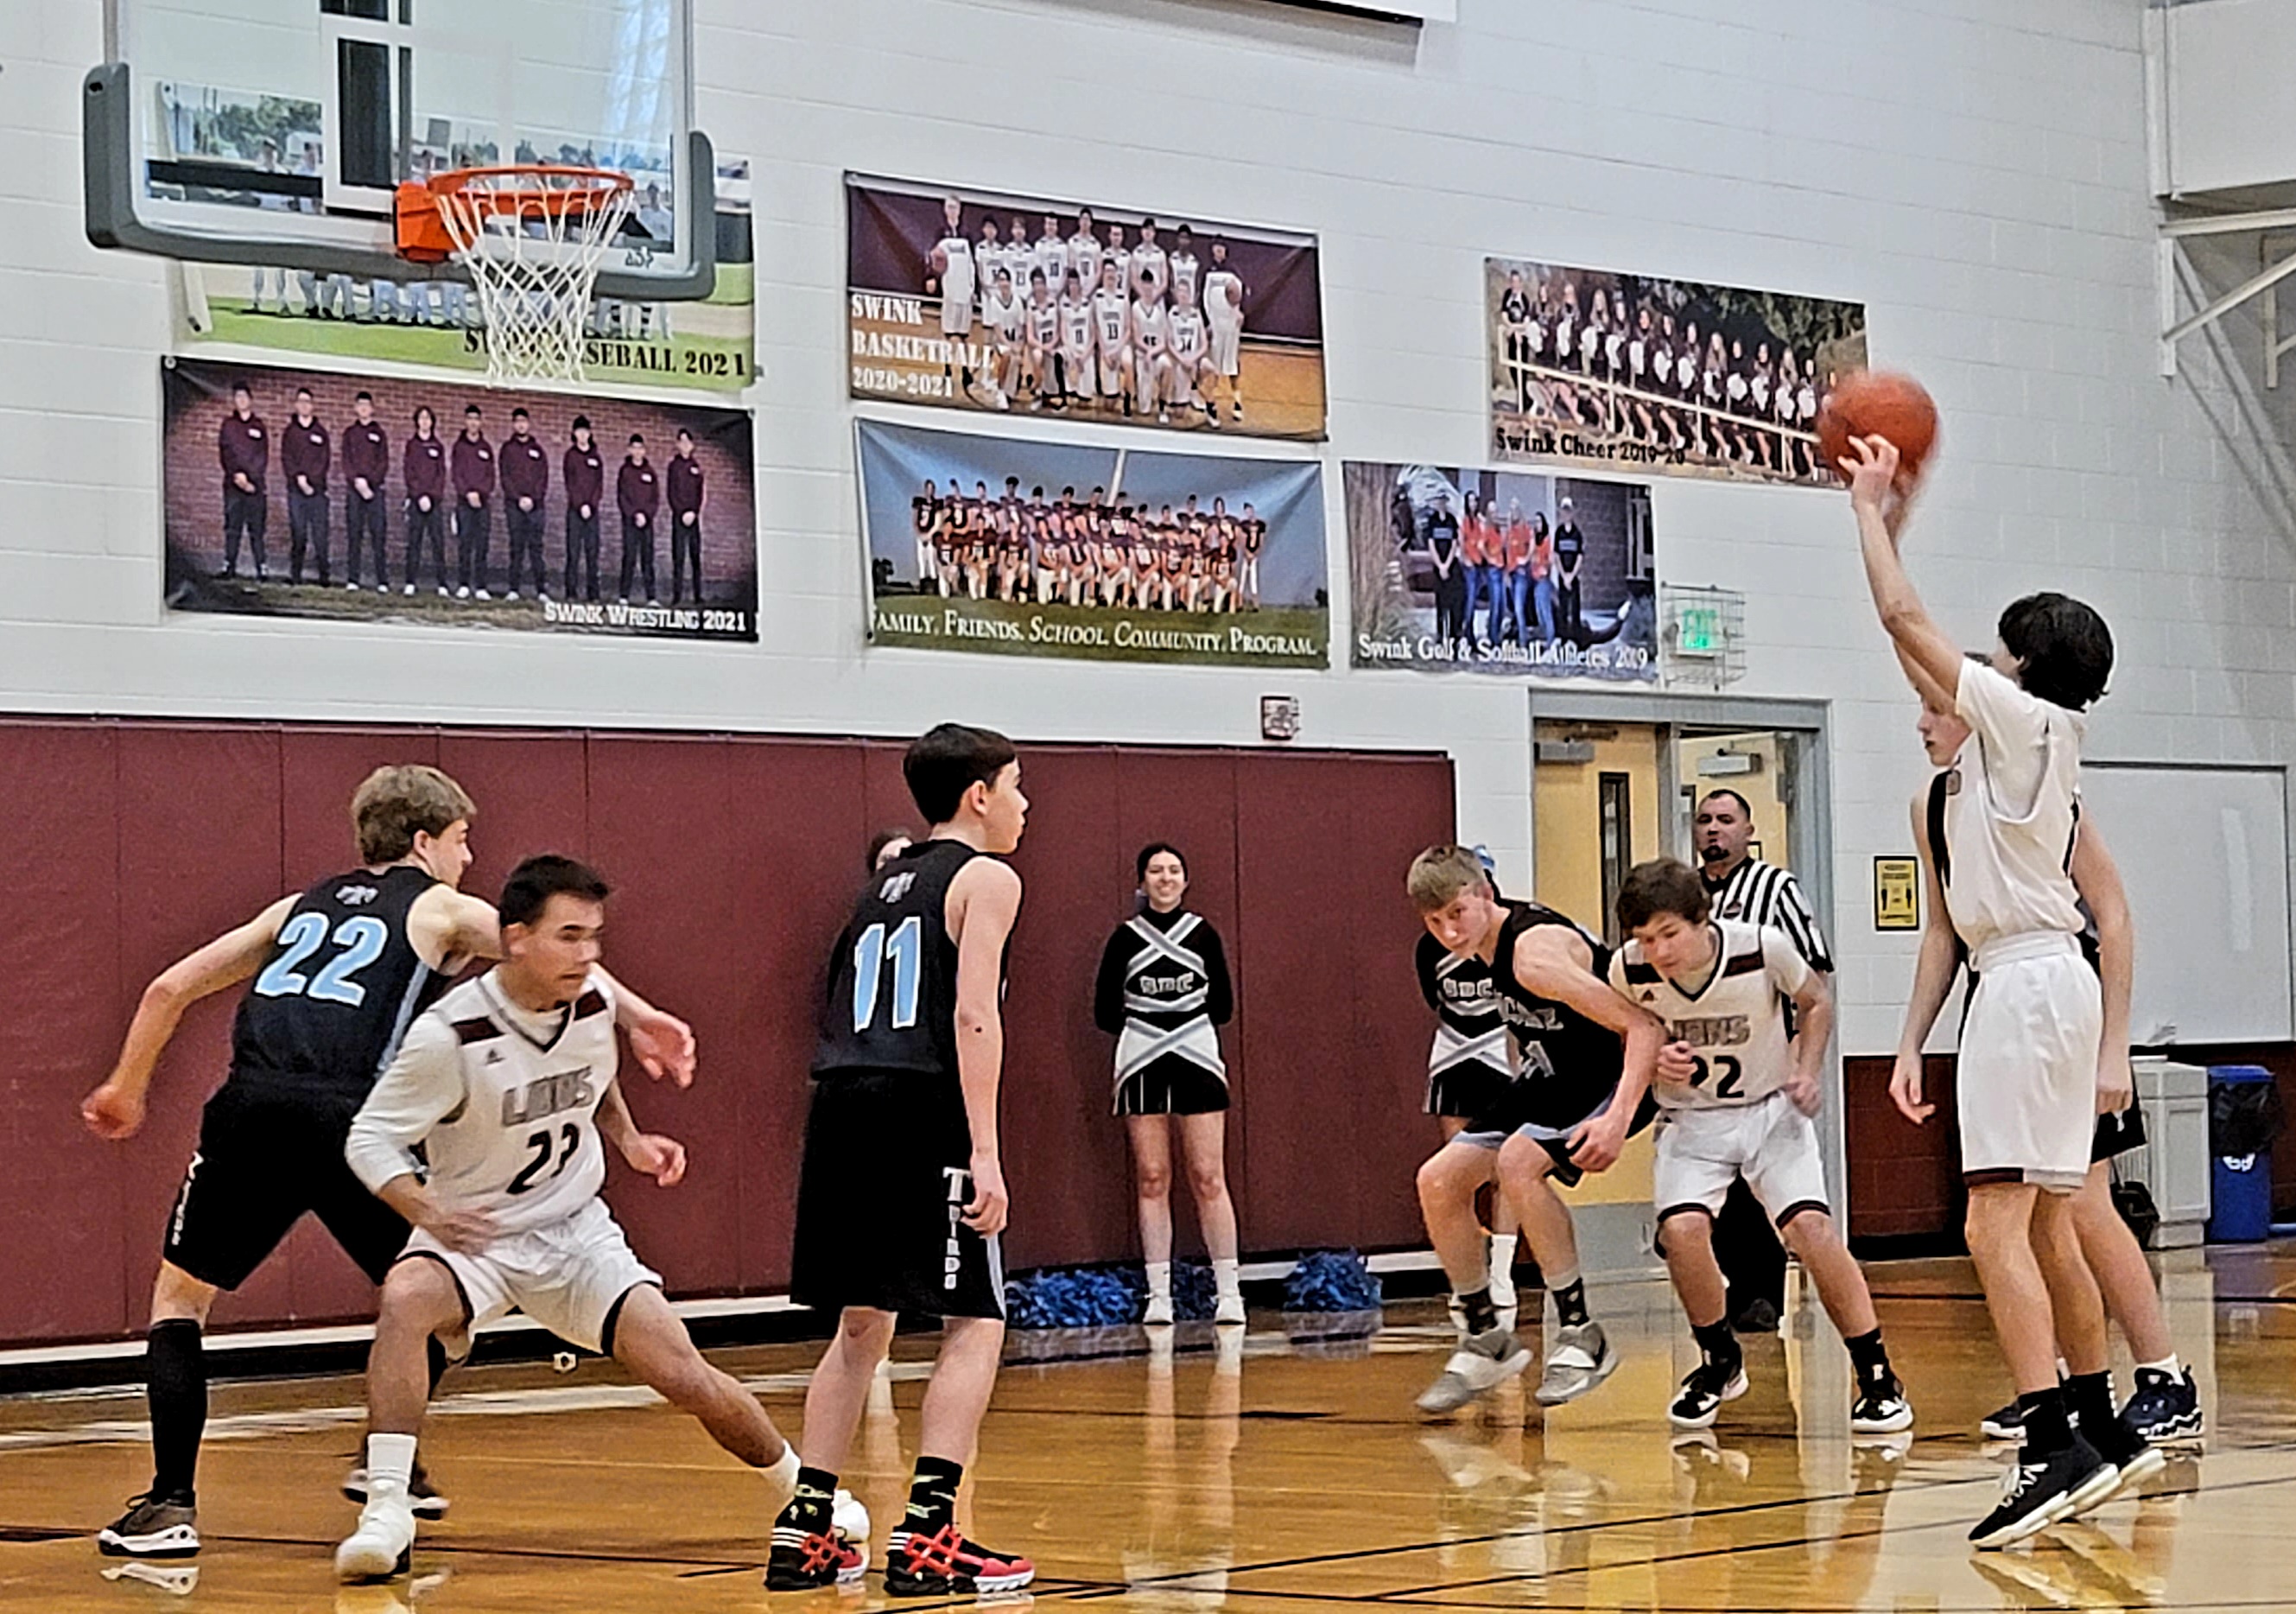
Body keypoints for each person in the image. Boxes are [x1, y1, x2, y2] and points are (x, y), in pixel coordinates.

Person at [81, 766, 692, 1560]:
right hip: (352, 1120)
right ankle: (383, 1462)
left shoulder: (297, 907)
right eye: (463, 840)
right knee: (448, 1310)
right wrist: (641, 1019)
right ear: (424, 841)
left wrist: (127, 1087)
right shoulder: (436, 904)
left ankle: (169, 1505)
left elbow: (170, 988)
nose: (469, 859)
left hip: (252, 1107)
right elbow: (543, 953)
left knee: (180, 1300)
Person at [333, 857, 797, 1583]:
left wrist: (631, 1140)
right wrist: (425, 1209)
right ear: (514, 938)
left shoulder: (593, 1000)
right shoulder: (449, 1034)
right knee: (405, 1298)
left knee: (685, 1374)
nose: (587, 954)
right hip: (478, 1229)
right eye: (569, 936)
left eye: (595, 938)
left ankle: (804, 1494)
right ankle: (386, 1506)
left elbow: (591, 1073)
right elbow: (367, 1138)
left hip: (575, 1228)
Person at [1844, 434, 2138, 1548]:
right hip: (2040, 985)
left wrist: (1867, 512)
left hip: (2025, 990)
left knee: (1991, 1225)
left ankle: (2050, 1441)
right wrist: (1894, 527)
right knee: (2052, 1225)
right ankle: (2100, 1421)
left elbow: (1905, 625)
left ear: (2020, 668)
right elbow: (1918, 654)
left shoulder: (2025, 724)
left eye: (1997, 654)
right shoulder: (2003, 751)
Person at [770, 726, 1035, 1596]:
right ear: (978, 795)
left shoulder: (878, 885)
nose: (1026, 804)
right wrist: (987, 1150)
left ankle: (805, 1526)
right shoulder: (986, 876)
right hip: (922, 1100)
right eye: (1017, 785)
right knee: (976, 1318)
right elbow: (973, 1017)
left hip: (842, 1095)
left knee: (862, 1322)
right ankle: (928, 1532)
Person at [1896, 697, 2204, 1448]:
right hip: (1995, 996)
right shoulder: (1932, 804)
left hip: (2059, 999)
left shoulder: (2039, 784)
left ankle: (2161, 1374)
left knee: (2082, 1204)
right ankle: (2069, 1389)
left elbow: (2115, 911)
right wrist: (1910, 1041)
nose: (1922, 723)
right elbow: (1942, 932)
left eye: (1937, 707)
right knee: (2043, 1217)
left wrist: (2116, 1046)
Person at [1609, 859, 1912, 1434]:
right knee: (1681, 1233)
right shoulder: (1626, 971)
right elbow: (1626, 1035)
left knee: (1811, 1232)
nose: (1658, 951)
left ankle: (1876, 1374)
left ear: (1704, 919)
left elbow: (1816, 1000)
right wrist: (1654, 1059)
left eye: (1669, 934)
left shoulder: (1762, 947)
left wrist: (1808, 1068)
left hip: (1771, 1110)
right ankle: (1719, 1359)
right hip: (1691, 1118)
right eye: (1645, 939)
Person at [1405, 847, 1659, 1415]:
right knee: (1439, 1180)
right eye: (1434, 921)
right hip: (1553, 1076)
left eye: (1456, 913)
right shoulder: (1471, 951)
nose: (1448, 931)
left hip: (1611, 1074)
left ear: (1485, 895)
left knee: (1519, 1162)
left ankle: (1580, 1333)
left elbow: (1643, 1026)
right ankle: (1485, 1338)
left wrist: (1618, 1120)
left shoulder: (1532, 956)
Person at [1692, 788, 1835, 1336]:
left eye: (1726, 819)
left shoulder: (1776, 888)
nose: (1713, 830)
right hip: (1707, 1063)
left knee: (1763, 1177)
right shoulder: (1685, 894)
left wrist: (1806, 1061)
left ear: (1750, 830)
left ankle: (1763, 1292)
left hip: (1771, 1057)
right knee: (1715, 1179)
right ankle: (1726, 1290)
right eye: (1704, 819)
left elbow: (1815, 975)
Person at [1093, 844, 1243, 1328]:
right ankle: (1159, 1295)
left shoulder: (1202, 935)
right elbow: (1104, 1011)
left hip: (1196, 1054)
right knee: (1152, 1176)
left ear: (1185, 879)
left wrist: (1178, 1024)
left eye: (1174, 870)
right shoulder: (1124, 939)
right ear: (1142, 881)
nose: (1165, 878)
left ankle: (1230, 1291)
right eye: (1156, 871)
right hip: (1142, 1057)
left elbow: (1222, 1006)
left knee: (1208, 1175)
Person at [1412, 864, 1523, 1312]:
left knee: (1508, 1170)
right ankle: (1469, 1276)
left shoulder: (1511, 940)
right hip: (1455, 1052)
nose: (1452, 926)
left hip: (1502, 1050)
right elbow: (1431, 995)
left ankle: (1502, 1272)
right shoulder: (1429, 949)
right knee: (1457, 1170)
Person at [218, 382, 270, 581]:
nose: (241, 400)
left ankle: (261, 568)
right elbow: (225, 453)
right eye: (237, 397)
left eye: (244, 397)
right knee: (233, 527)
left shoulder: (259, 427)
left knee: (256, 529)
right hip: (233, 486)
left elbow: (262, 456)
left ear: (250, 400)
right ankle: (229, 566)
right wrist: (237, 475)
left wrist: (250, 481)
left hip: (254, 487)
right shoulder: (228, 425)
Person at [499, 407, 550, 603]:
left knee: (536, 549)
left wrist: (532, 499)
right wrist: (518, 498)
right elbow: (505, 477)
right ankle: (513, 589)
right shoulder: (507, 449)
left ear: (528, 424)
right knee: (516, 547)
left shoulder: (538, 450)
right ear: (513, 424)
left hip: (536, 507)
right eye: (517, 421)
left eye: (524, 421)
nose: (521, 424)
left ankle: (541, 591)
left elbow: (543, 478)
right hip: (514, 505)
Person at [283, 386, 331, 587]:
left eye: (308, 402)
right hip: (296, 492)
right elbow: (287, 458)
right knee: (299, 534)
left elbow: (324, 460)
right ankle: (295, 576)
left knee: (320, 536)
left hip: (318, 492)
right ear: (296, 405)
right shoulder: (290, 432)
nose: (304, 405)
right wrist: (299, 479)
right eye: (300, 401)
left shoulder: (321, 433)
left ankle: (324, 578)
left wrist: (312, 481)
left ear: (313, 406)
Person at [342, 391, 389, 593]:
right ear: (355, 408)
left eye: (366, 405)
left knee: (378, 536)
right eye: (359, 404)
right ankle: (353, 579)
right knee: (355, 535)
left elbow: (383, 462)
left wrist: (370, 484)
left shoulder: (379, 434)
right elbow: (346, 461)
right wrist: (357, 482)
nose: (363, 408)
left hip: (375, 492)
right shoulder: (350, 433)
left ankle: (382, 581)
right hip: (355, 492)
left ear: (372, 409)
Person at [449, 404, 495, 600]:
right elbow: (456, 473)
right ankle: (463, 584)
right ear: (465, 421)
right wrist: (468, 493)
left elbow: (490, 476)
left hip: (483, 504)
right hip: (464, 503)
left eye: (477, 419)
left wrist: (481, 494)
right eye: (470, 419)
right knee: (465, 544)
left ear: (480, 422)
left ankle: (481, 586)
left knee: (482, 545)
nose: (473, 423)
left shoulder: (486, 448)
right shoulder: (459, 447)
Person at [401, 405, 447, 599]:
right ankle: (410, 582)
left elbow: (441, 475)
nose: (425, 421)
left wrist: (431, 496)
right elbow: (409, 473)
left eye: (428, 418)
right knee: (414, 542)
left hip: (434, 503)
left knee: (438, 542)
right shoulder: (412, 445)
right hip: (417, 501)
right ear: (417, 422)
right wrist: (419, 496)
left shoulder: (438, 447)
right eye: (422, 418)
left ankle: (442, 584)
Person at [564, 416, 605, 604]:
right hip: (575, 511)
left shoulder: (596, 458)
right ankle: (571, 592)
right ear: (574, 434)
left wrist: (591, 504)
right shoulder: (570, 456)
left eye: (585, 431)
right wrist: (580, 505)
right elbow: (570, 483)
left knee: (592, 553)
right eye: (579, 431)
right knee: (573, 552)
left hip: (592, 512)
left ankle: (593, 594)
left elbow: (599, 485)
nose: (582, 435)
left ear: (590, 434)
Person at [617, 433, 661, 607]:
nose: (637, 451)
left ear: (644, 451)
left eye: (640, 448)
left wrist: (646, 515)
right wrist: (634, 514)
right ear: (629, 450)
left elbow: (655, 498)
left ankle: (651, 597)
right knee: (629, 557)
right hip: (630, 521)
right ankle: (624, 596)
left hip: (647, 523)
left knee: (647, 559)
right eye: (633, 448)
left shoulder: (650, 472)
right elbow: (622, 496)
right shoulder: (625, 471)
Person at [668, 427, 706, 605]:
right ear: (677, 445)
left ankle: (698, 596)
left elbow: (700, 493)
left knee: (695, 557)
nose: (685, 445)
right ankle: (677, 596)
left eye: (688, 442)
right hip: (679, 517)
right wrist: (682, 512)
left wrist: (694, 512)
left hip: (694, 518)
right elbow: (671, 493)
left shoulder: (696, 467)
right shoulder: (673, 466)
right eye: (681, 442)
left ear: (692, 446)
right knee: (679, 557)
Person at [1551, 498, 1585, 643]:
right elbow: (1556, 555)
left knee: (1575, 608)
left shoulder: (1577, 534)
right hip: (1562, 576)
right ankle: (1564, 639)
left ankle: (1577, 639)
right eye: (1563, 511)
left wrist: (1571, 576)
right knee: (1563, 609)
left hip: (1574, 577)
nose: (1566, 514)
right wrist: (1564, 576)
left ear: (1572, 513)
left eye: (1568, 511)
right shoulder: (1559, 532)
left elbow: (1579, 556)